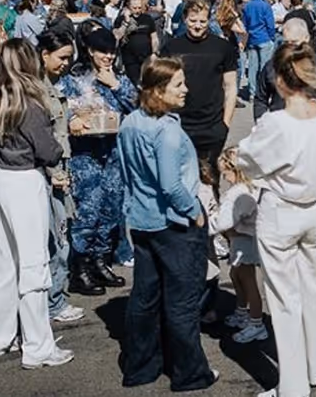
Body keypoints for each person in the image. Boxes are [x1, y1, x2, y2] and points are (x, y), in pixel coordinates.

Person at [237, 41, 316, 396]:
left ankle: (294, 387)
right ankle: (315, 364)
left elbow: (247, 160)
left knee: (284, 302)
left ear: (280, 80)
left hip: (281, 211)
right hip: (315, 209)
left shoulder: (275, 122)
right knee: (315, 288)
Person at [116, 57, 219, 391]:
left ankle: (141, 366)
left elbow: (127, 171)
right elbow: (171, 184)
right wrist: (194, 210)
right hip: (174, 225)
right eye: (178, 84)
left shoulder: (130, 122)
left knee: (145, 296)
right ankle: (190, 372)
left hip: (142, 220)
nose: (185, 89)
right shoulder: (167, 130)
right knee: (182, 301)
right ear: (158, 91)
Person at [0, 39, 75, 368]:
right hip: (23, 181)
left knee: (0, 264)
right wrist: (59, 146)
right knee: (34, 265)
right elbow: (48, 151)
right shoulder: (31, 104)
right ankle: (38, 346)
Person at [61, 29, 137, 293]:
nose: (108, 56)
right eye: (103, 51)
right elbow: (62, 108)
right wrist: (73, 118)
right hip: (86, 154)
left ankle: (101, 261)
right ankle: (80, 268)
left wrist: (115, 84)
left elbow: (137, 106)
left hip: (114, 153)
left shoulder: (119, 78)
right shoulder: (73, 78)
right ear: (90, 51)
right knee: (88, 210)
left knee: (112, 209)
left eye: (111, 52)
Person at [36, 31, 95, 314]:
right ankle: (54, 303)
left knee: (58, 236)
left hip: (56, 169)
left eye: (69, 57)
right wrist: (55, 172)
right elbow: (42, 135)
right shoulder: (38, 89)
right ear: (44, 55)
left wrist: (72, 117)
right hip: (50, 173)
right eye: (61, 57)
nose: (66, 63)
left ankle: (52, 300)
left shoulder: (51, 85)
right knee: (57, 239)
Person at [161, 0, 238, 191]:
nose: (197, 26)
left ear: (209, 20)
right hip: (179, 125)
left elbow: (230, 86)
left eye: (203, 21)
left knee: (210, 182)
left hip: (213, 126)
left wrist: (225, 123)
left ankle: (211, 210)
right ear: (185, 19)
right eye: (193, 20)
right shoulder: (171, 48)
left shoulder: (223, 47)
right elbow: (162, 85)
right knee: (180, 182)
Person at [209, 148, 267, 344]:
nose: (224, 178)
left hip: (245, 242)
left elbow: (224, 221)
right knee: (236, 275)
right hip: (243, 239)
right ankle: (242, 312)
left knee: (248, 280)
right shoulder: (251, 188)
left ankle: (256, 323)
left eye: (225, 173)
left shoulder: (238, 194)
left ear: (235, 170)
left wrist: (205, 226)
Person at [253, 18, 316, 127]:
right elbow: (260, 98)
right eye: (286, 42)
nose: (290, 47)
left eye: (294, 42)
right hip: (279, 129)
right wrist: (262, 125)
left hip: (313, 129)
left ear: (306, 38)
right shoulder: (272, 66)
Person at [242, 0, 278, 102]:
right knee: (265, 67)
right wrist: (271, 37)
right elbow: (270, 24)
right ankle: (264, 91)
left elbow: (245, 24)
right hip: (264, 38)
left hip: (252, 38)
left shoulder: (247, 6)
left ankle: (252, 93)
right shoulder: (265, 5)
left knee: (252, 67)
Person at [113, 0, 159, 87]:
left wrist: (155, 52)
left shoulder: (147, 19)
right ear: (129, 7)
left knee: (148, 82)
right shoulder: (120, 20)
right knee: (135, 83)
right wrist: (126, 22)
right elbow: (117, 36)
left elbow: (154, 37)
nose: (137, 10)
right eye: (134, 8)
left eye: (139, 8)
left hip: (147, 57)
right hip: (130, 59)